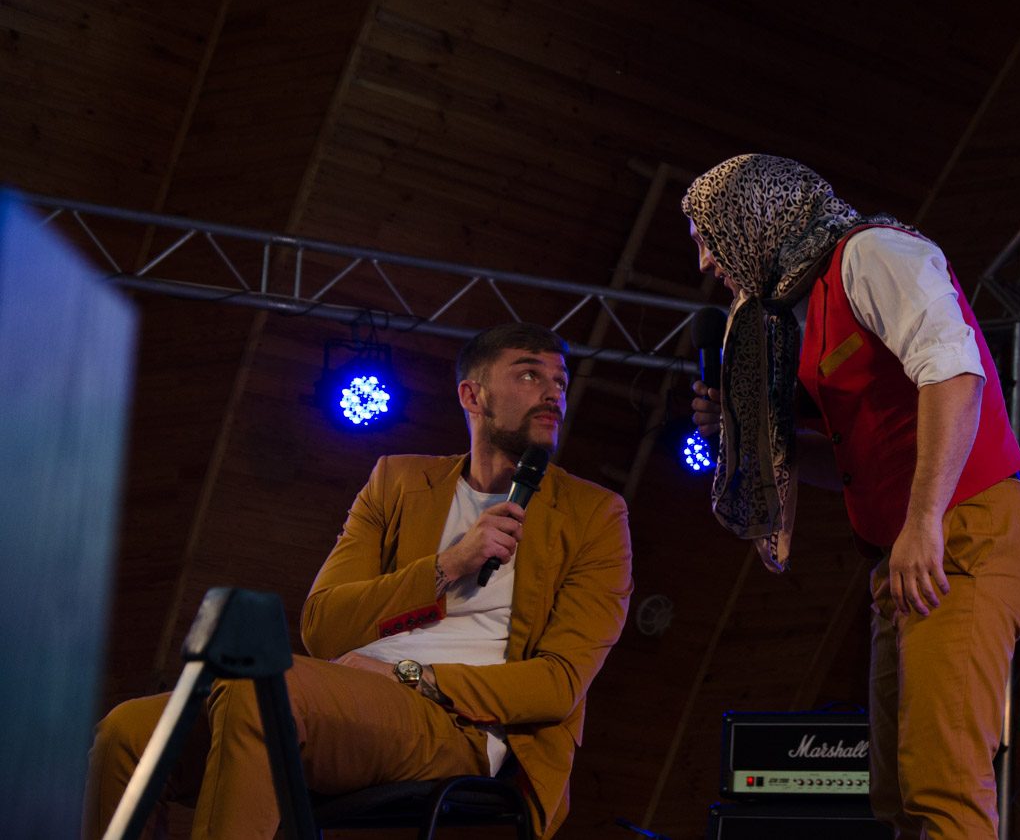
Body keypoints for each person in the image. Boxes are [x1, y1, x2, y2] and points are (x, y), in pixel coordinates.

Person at [84, 323, 633, 840]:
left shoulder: (594, 515)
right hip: (347, 698)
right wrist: (447, 565)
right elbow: (324, 627)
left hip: (458, 723)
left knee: (262, 687)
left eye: (560, 380)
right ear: (473, 395)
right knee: (126, 733)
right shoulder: (398, 480)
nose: (553, 392)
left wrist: (411, 676)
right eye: (530, 374)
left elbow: (558, 684)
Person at [683, 154, 1020, 840]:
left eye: (710, 235)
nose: (705, 260)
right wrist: (759, 438)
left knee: (943, 785)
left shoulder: (873, 254)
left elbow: (955, 376)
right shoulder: (793, 308)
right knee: (896, 795)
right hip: (905, 549)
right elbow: (851, 459)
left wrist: (923, 521)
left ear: (756, 217)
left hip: (964, 531)